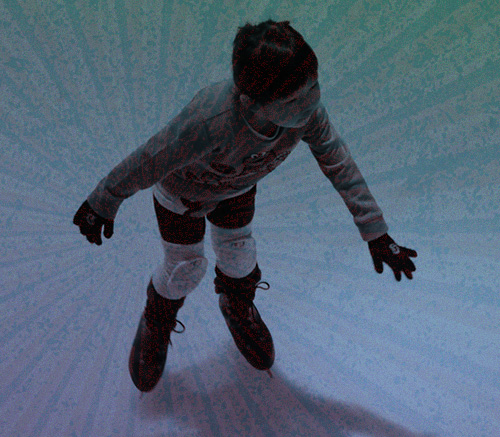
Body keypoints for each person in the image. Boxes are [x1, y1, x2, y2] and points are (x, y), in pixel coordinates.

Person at [73, 19, 417, 393]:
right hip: (183, 197)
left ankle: (237, 306)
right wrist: (104, 200)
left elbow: (338, 161)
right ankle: (156, 319)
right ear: (251, 100)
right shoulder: (212, 119)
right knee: (185, 269)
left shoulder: (307, 115)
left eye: (313, 87)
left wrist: (375, 231)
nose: (309, 104)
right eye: (293, 100)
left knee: (240, 257)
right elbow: (152, 157)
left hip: (236, 190)